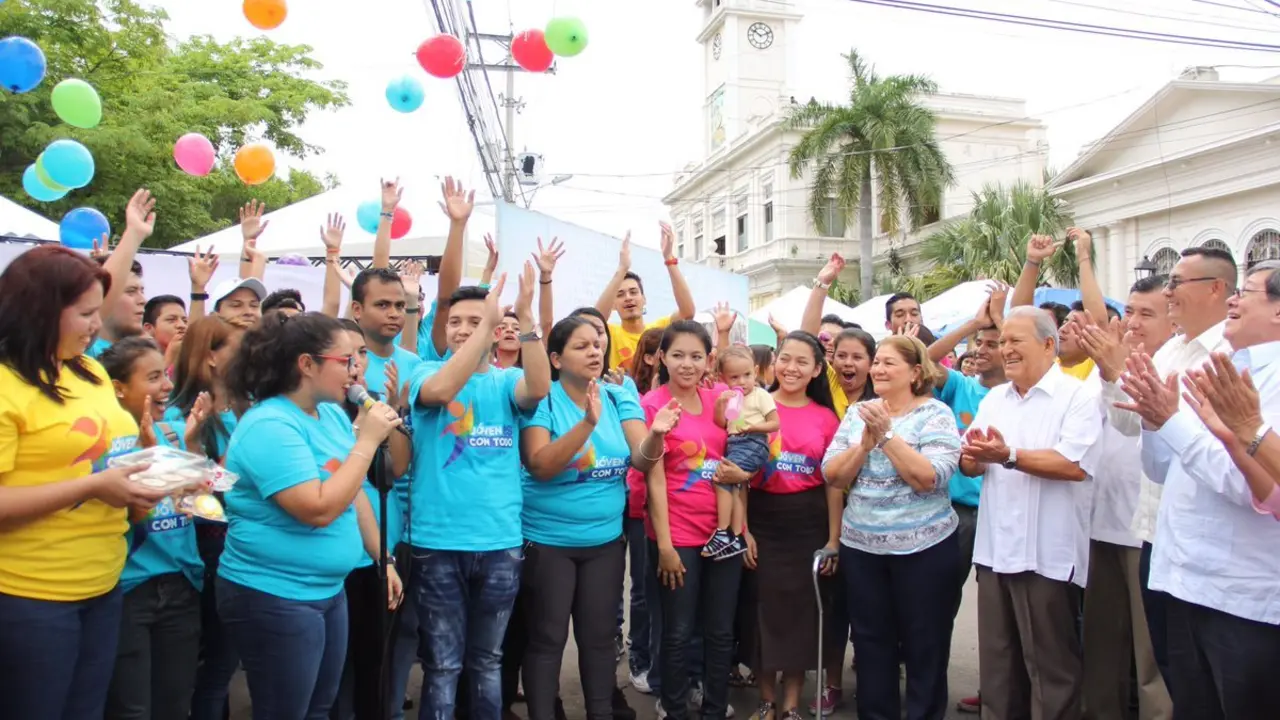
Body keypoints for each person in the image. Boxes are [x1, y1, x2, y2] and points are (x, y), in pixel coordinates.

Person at [0, 245, 168, 720]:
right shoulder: (6, 385)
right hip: (30, 596)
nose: (98, 326)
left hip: (102, 583)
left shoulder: (90, 370)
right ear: (40, 310)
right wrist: (91, 489)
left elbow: (111, 456)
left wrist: (147, 480)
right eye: (87, 314)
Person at [216, 311, 404, 718]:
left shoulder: (331, 414)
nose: (354, 371)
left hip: (326, 591)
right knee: (287, 710)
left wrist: (382, 558)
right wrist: (367, 441)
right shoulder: (270, 426)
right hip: (276, 594)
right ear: (306, 364)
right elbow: (316, 509)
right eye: (345, 361)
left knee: (320, 705)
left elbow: (353, 495)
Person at [1121, 260, 1280, 718]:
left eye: (1247, 291)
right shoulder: (1219, 365)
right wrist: (1157, 419)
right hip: (1183, 577)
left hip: (1243, 596)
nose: (1234, 299)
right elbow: (1161, 470)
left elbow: (1248, 484)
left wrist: (1173, 423)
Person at [405, 265, 551, 720]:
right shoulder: (424, 373)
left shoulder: (506, 382)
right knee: (443, 665)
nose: (465, 329)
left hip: (499, 543)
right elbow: (443, 388)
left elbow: (540, 387)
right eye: (456, 322)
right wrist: (487, 324)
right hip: (437, 543)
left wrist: (525, 321)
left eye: (476, 321)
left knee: (487, 661)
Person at [520, 316, 677, 720]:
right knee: (548, 638)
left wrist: (656, 435)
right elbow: (540, 465)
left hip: (604, 542)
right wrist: (587, 425)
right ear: (555, 358)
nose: (594, 351)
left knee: (599, 638)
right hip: (548, 542)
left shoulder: (618, 395)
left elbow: (641, 459)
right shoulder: (542, 400)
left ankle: (601, 713)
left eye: (598, 344)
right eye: (582, 346)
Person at [1100, 246, 1235, 685]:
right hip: (1157, 531)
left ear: (1217, 289)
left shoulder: (1231, 354)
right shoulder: (1172, 352)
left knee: (1211, 675)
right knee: (1175, 663)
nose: (1170, 291)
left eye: (1177, 282)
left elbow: (1220, 454)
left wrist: (1165, 418)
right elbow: (1129, 424)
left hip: (1212, 542)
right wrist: (1112, 374)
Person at [960, 307, 1102, 720]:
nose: (1005, 349)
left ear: (1047, 344)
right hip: (995, 551)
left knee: (1051, 668)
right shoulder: (995, 399)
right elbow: (972, 463)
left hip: (1047, 555)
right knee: (999, 667)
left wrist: (1008, 455)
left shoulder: (1077, 397)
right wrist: (974, 456)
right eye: (1002, 341)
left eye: (1014, 340)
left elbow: (1073, 465)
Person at [822, 335, 962, 720]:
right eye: (877, 362)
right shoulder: (859, 412)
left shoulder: (935, 414)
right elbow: (832, 475)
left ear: (915, 372)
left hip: (925, 550)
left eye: (889, 363)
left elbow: (929, 477)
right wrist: (864, 446)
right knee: (870, 644)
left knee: (925, 644)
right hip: (862, 549)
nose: (878, 369)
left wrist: (886, 436)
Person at [100, 337, 205, 720]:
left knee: (175, 705)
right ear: (118, 389)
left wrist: (194, 452)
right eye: (154, 377)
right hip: (129, 590)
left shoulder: (173, 433)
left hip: (181, 585)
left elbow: (198, 505)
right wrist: (145, 453)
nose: (166, 386)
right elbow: (130, 513)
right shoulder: (101, 444)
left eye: (166, 375)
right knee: (132, 709)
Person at [646, 320, 746, 720]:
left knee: (721, 631)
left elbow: (741, 459)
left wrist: (743, 530)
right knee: (678, 631)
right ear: (662, 358)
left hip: (723, 533)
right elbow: (652, 477)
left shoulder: (721, 397)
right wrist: (665, 546)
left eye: (696, 356)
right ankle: (673, 707)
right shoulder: (653, 404)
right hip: (678, 536)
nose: (687, 364)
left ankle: (715, 708)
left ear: (709, 360)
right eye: (677, 355)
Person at [745, 331, 841, 720]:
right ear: (773, 363)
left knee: (802, 614)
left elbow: (834, 483)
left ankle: (791, 705)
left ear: (817, 369)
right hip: (760, 519)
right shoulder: (753, 407)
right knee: (763, 611)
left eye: (803, 361)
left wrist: (834, 539)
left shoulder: (827, 417)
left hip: (808, 521)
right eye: (785, 359)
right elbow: (735, 473)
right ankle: (767, 701)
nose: (791, 368)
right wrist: (742, 530)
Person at [706, 346, 778, 559]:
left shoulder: (760, 395)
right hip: (736, 443)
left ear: (756, 371)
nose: (742, 382)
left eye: (747, 375)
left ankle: (723, 532)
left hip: (753, 443)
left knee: (721, 479)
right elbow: (723, 424)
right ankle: (736, 536)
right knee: (735, 485)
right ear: (723, 378)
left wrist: (753, 428)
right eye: (734, 377)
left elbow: (775, 423)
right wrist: (720, 404)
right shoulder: (731, 398)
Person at [594, 224, 696, 369]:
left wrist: (669, 258)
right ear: (613, 305)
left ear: (644, 299)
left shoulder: (659, 330)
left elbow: (688, 313)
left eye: (634, 292)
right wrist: (622, 269)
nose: (628, 298)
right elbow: (594, 319)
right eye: (620, 294)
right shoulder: (610, 333)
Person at [142, 294, 188, 361]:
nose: (182, 325)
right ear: (148, 328)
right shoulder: (136, 360)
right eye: (171, 320)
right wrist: (171, 354)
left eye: (185, 321)